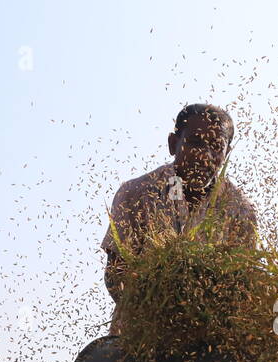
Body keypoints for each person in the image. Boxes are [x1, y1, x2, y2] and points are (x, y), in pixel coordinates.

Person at [102, 104, 258, 332]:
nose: (205, 155)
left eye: (216, 147)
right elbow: (116, 272)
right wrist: (156, 313)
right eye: (195, 142)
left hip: (210, 338)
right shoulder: (137, 194)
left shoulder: (239, 210)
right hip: (140, 335)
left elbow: (244, 282)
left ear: (226, 154)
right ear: (173, 144)